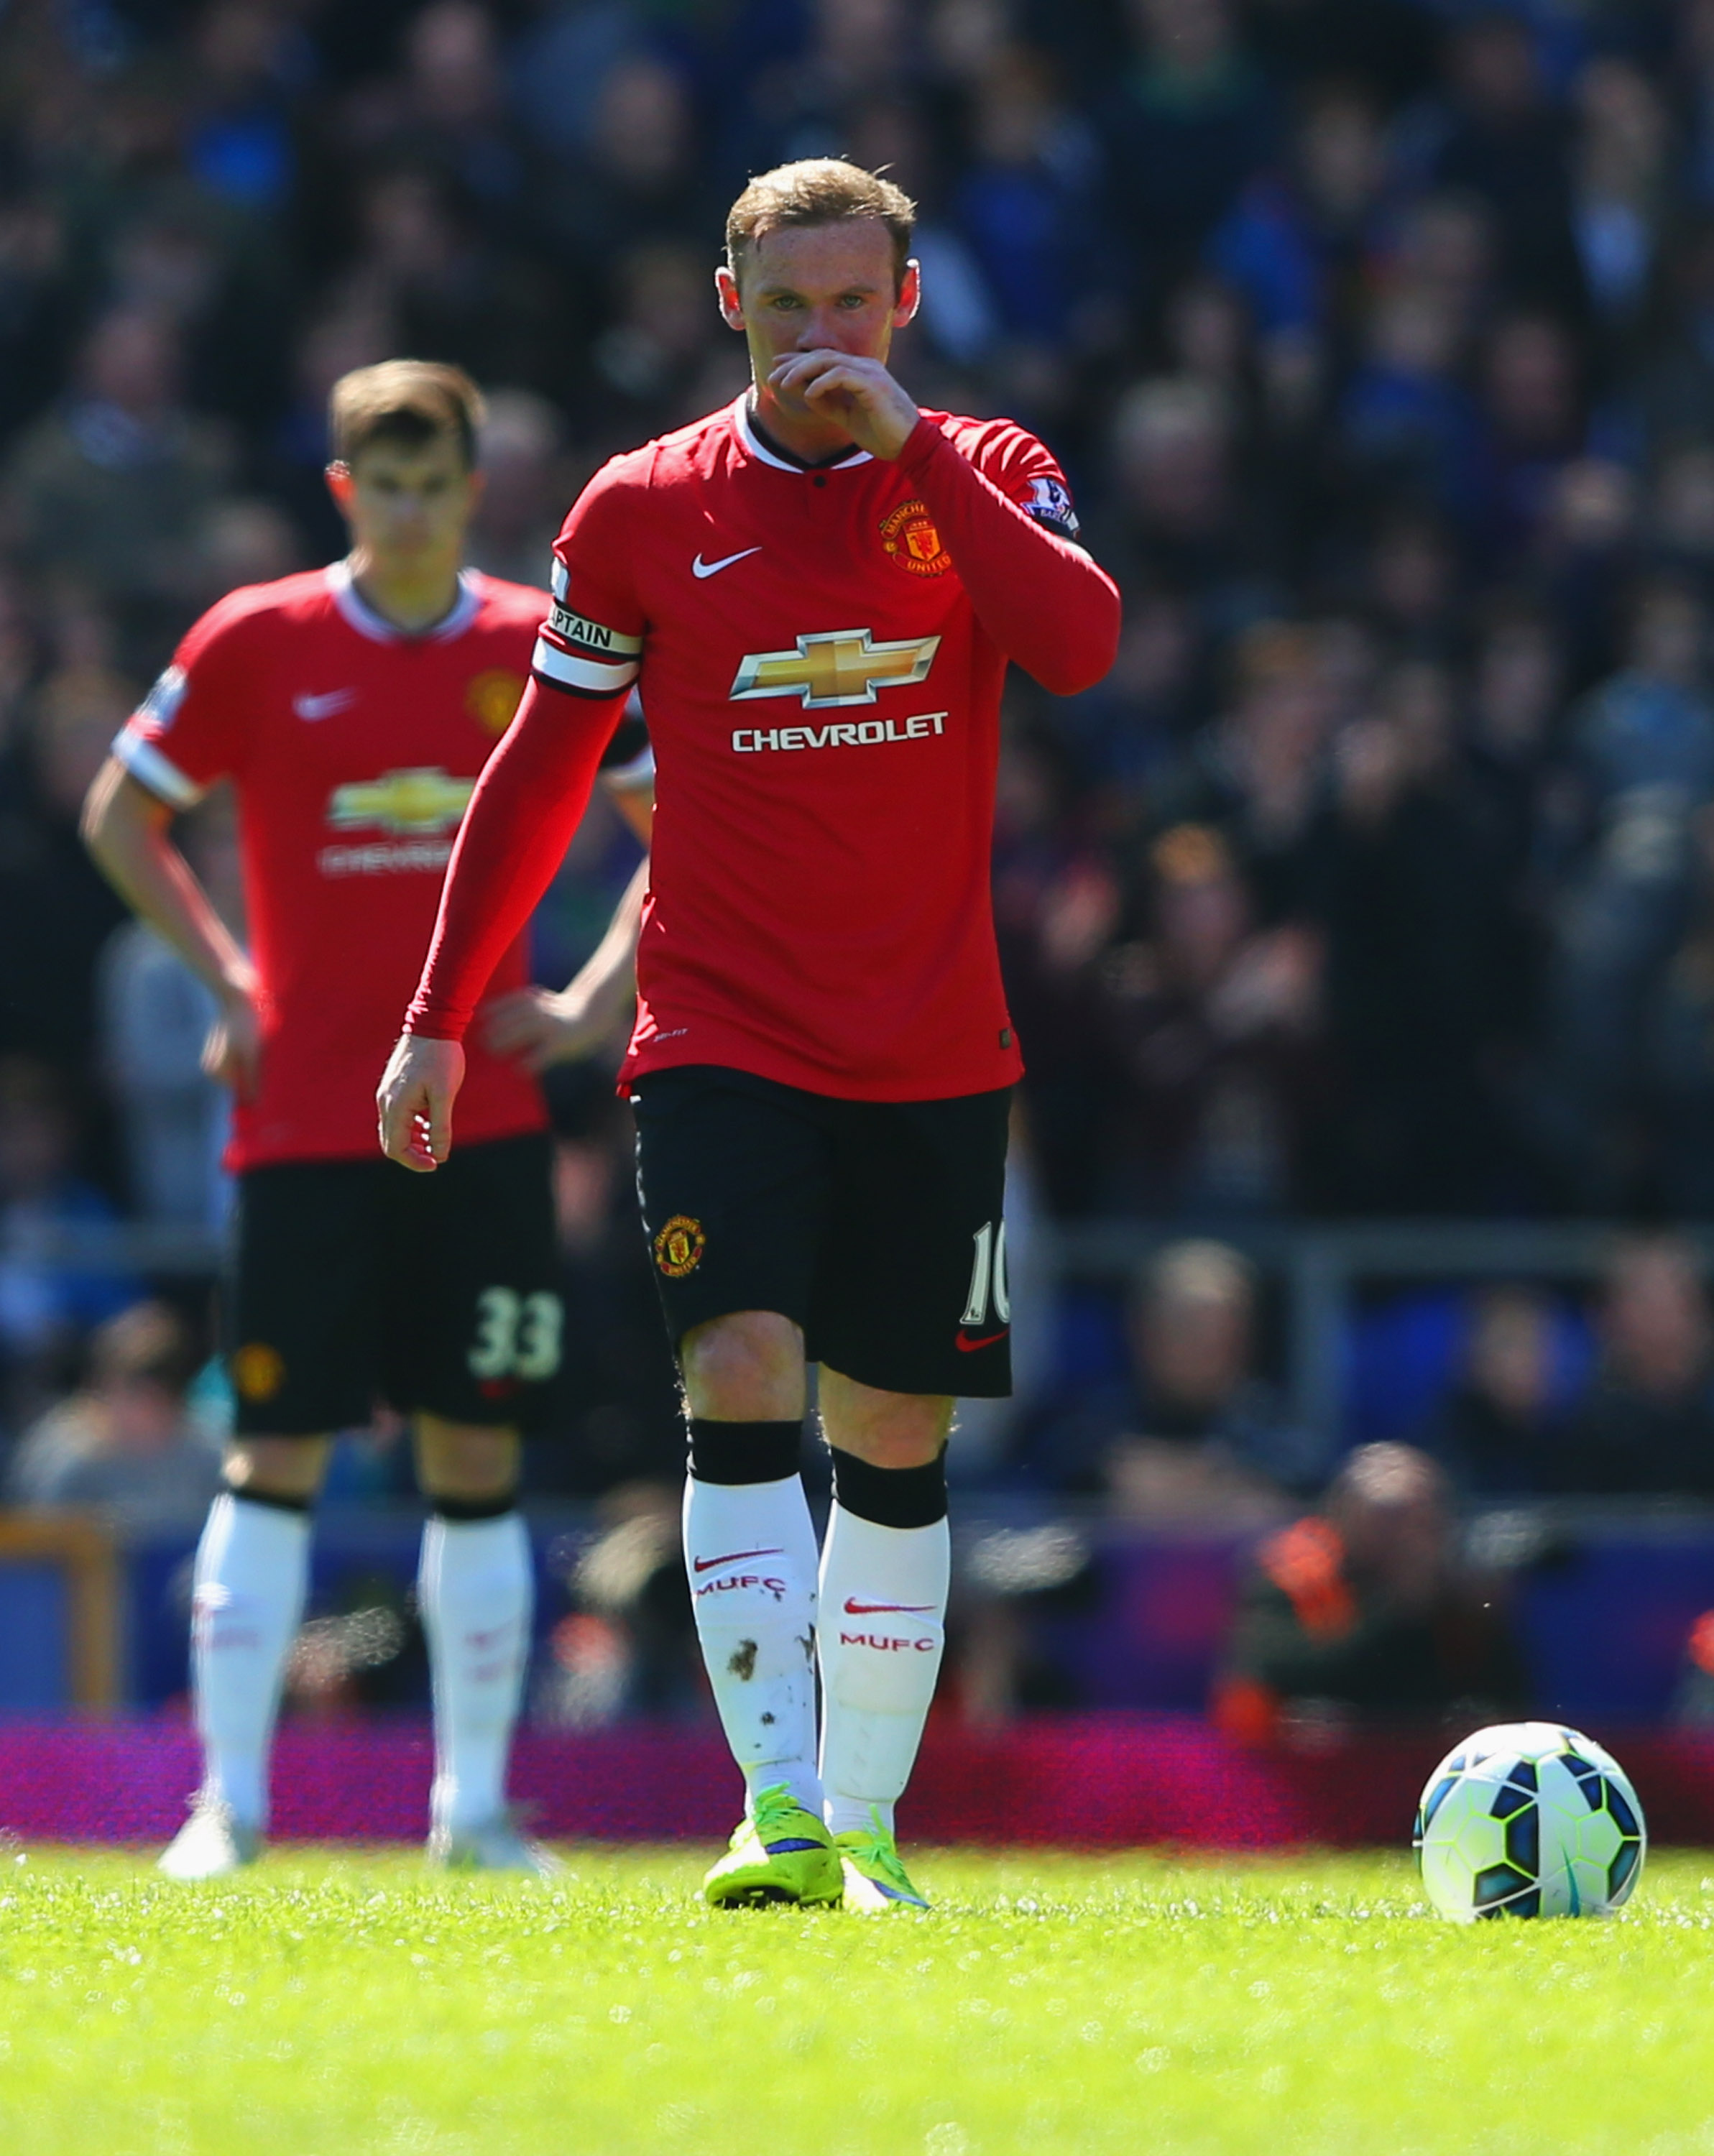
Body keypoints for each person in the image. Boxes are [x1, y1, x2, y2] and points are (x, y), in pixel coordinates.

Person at [378, 160, 1120, 1911]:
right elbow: (536, 776)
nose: (817, 338)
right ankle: (776, 1803)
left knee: (896, 1425)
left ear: (904, 303)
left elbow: (1078, 645)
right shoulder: (642, 508)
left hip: (933, 1039)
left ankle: (867, 1827)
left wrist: (913, 446)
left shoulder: (987, 467)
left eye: (850, 302)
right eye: (784, 305)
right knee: (735, 1368)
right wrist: (434, 1017)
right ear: (730, 305)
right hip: (722, 1024)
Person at [80, 359, 653, 1880]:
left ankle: (476, 1813)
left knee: (477, 1452)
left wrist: (592, 1001)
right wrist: (226, 981)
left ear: (474, 490)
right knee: (273, 1449)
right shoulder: (257, 640)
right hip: (305, 1122)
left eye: (433, 484)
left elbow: (680, 825)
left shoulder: (541, 644)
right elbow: (120, 811)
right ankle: (227, 1808)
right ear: (344, 490)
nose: (407, 512)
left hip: (486, 1119)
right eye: (382, 485)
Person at [1212, 1442, 1526, 1743]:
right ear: (1345, 1512)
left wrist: (1473, 1611)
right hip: (1310, 1757)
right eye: (1390, 1516)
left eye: (1421, 1515)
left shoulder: (1455, 1585)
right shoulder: (1293, 1572)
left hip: (1424, 1750)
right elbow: (1277, 1671)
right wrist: (1396, 1606)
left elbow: (1499, 1692)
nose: (1406, 1533)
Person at [7, 1299, 223, 1531]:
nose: (144, 1410)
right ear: (103, 1388)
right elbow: (38, 1544)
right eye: (132, 1394)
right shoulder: (63, 1459)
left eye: (158, 1397)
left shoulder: (211, 1455)